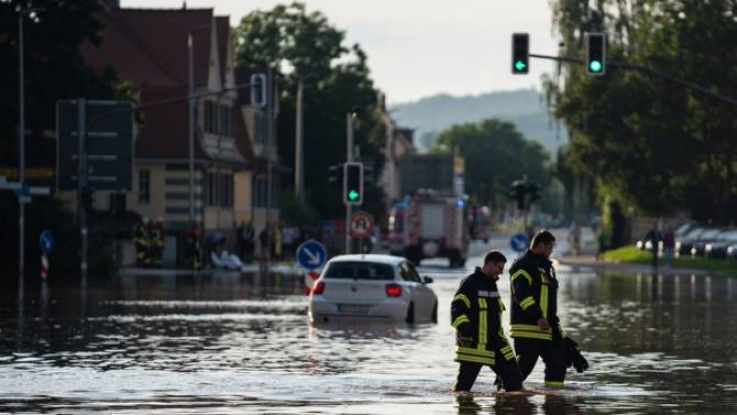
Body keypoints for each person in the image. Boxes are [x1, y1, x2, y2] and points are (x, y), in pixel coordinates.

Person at [451, 250, 523, 393]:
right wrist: (465, 331)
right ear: (490, 264)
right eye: (500, 268)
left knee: (514, 382)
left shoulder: (491, 284)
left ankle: (505, 407)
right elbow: (457, 309)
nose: (501, 273)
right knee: (463, 390)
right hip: (474, 346)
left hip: (496, 344)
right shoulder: (470, 283)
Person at [508, 229, 568, 387]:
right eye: (549, 248)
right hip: (527, 326)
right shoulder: (522, 265)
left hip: (547, 327)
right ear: (540, 246)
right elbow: (521, 295)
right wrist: (538, 316)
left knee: (558, 362)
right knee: (524, 366)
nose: (551, 251)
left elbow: (549, 301)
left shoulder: (547, 267)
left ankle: (554, 401)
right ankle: (504, 395)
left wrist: (554, 325)